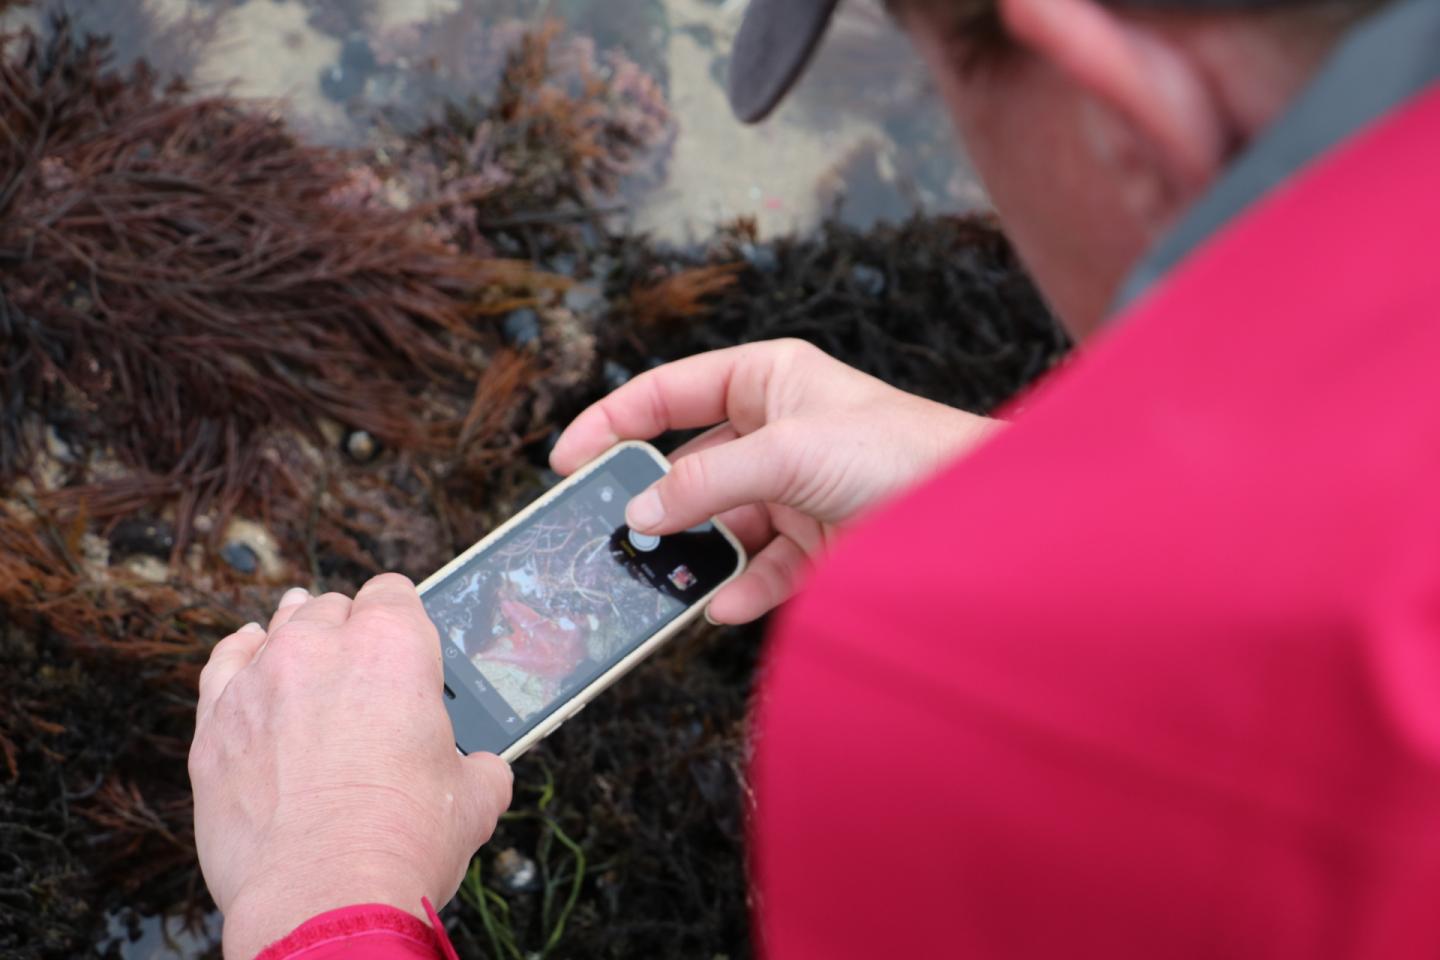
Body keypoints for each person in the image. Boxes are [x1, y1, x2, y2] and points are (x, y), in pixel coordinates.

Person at [189, 0, 1440, 955]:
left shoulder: (948, 706)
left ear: (1120, 113)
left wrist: (327, 891)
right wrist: (1020, 505)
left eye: (940, 84)